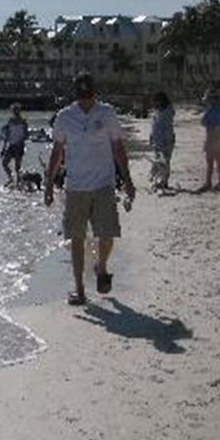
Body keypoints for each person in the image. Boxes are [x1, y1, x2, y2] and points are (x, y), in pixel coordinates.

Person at [44, 73, 136, 305]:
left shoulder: (107, 113)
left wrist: (127, 180)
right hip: (75, 187)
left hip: (104, 184)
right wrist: (48, 184)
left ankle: (101, 265)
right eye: (82, 95)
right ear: (76, 94)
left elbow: (118, 148)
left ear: (95, 93)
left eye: (89, 95)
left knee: (107, 234)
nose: (86, 100)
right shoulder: (65, 117)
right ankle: (80, 290)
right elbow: (57, 152)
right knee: (76, 238)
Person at [198, 88, 220, 192]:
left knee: (210, 160)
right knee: (219, 159)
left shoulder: (211, 109)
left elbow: (203, 122)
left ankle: (209, 182)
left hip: (212, 135)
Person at [148, 91, 175, 191]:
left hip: (165, 142)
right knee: (159, 162)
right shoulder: (158, 112)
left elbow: (168, 129)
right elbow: (154, 127)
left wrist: (167, 142)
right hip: (157, 141)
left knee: (164, 162)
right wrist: (151, 137)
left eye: (156, 101)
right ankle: (160, 180)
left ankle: (163, 182)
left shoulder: (166, 113)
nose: (155, 104)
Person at [0, 103, 29, 187]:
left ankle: (18, 183)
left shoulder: (23, 121)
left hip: (19, 145)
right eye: (14, 110)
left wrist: (21, 141)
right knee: (4, 163)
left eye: (17, 110)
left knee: (17, 167)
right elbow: (7, 135)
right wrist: (3, 148)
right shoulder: (10, 121)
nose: (15, 112)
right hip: (11, 145)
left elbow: (26, 135)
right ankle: (11, 178)